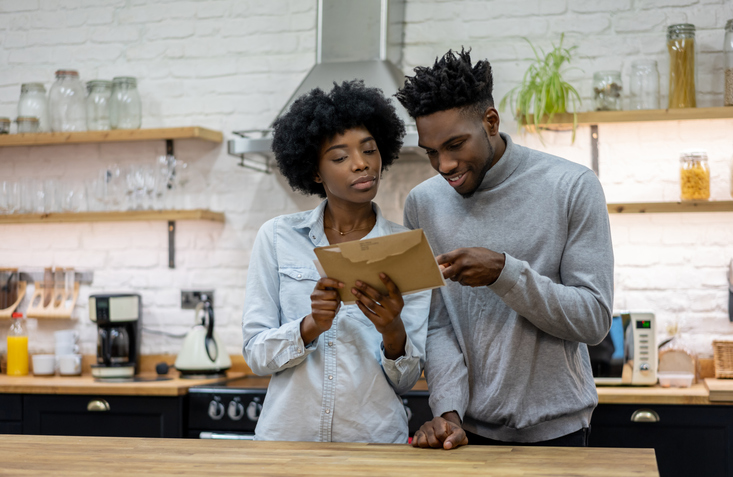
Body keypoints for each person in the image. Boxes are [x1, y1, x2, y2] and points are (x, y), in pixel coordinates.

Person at [394, 49, 614, 449]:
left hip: (559, 434)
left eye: (456, 144)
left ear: (491, 122)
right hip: (465, 434)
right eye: (430, 152)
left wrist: (503, 273)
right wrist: (447, 412)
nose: (444, 165)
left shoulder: (571, 187)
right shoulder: (423, 204)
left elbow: (594, 321)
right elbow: (439, 324)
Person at [242, 80, 429, 443]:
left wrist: (392, 330)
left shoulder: (406, 250)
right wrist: (310, 326)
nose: (361, 164)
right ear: (315, 172)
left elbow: (406, 380)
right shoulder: (278, 238)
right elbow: (256, 354)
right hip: (287, 447)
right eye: (341, 157)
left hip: (372, 448)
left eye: (369, 151)